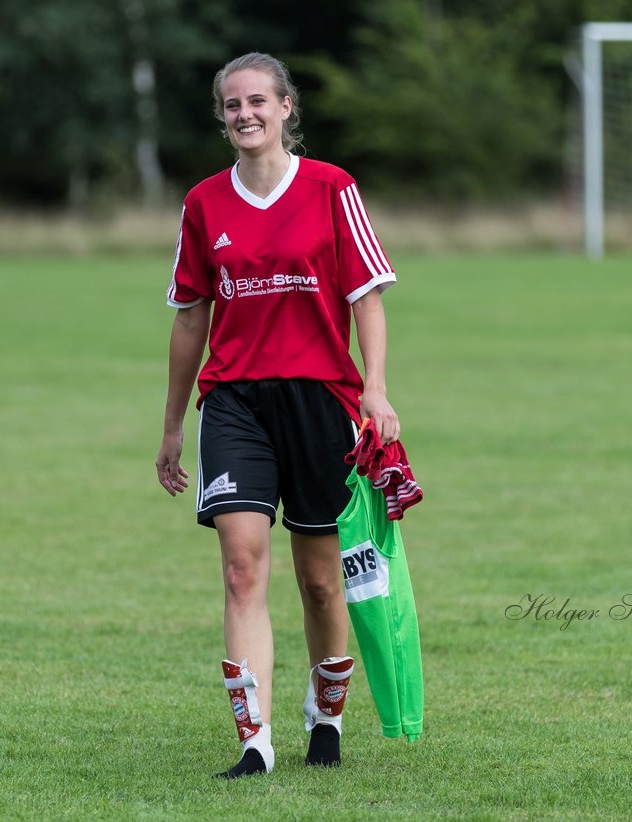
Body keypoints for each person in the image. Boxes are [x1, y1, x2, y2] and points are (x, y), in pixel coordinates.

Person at [155, 52, 400, 779]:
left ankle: (326, 716)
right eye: (231, 105)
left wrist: (375, 390)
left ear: (286, 107)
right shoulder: (203, 203)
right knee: (240, 566)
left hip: (322, 399)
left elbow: (368, 299)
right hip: (234, 401)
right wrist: (173, 424)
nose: (244, 115)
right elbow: (189, 320)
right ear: (221, 116)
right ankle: (254, 742)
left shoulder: (332, 188)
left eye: (258, 101)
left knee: (322, 580)